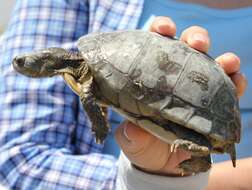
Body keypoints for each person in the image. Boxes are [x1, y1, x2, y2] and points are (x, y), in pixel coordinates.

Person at [0, 0, 249, 189]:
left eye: (25, 62)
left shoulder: (88, 78)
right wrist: (148, 178)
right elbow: (20, 158)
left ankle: (201, 158)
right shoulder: (86, 69)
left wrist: (184, 183)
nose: (21, 64)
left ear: (48, 64)